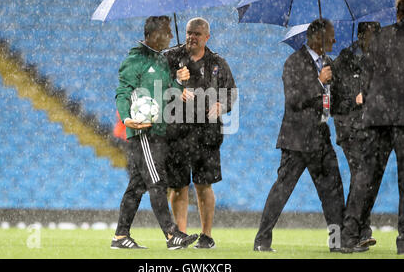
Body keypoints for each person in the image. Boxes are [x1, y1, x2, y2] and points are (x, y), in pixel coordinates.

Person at [254, 18, 345, 252]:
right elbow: (293, 100)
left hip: (321, 137)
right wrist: (319, 82)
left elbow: (332, 101)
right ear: (317, 37)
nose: (334, 39)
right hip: (297, 140)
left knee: (332, 193)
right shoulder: (294, 62)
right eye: (331, 35)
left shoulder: (329, 63)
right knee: (282, 190)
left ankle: (336, 243)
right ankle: (262, 241)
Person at [112, 15, 198, 250]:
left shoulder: (160, 60)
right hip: (144, 132)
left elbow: (169, 91)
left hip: (159, 130)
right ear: (153, 34)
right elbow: (122, 91)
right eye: (167, 31)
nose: (171, 35)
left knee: (137, 186)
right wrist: (127, 117)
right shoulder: (135, 59)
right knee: (157, 181)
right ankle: (172, 235)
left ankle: (120, 236)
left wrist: (180, 82)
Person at [164, 17, 237, 249]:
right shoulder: (171, 58)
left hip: (207, 133)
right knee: (178, 186)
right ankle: (181, 235)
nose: (191, 37)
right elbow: (155, 84)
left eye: (196, 34)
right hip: (177, 131)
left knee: (204, 185)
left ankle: (206, 236)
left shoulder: (218, 63)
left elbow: (231, 93)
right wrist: (175, 84)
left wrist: (221, 105)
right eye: (188, 33)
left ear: (207, 37)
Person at [341, 0, 404, 255]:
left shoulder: (379, 37)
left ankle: (348, 236)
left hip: (376, 117)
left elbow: (366, 80)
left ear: (397, 14)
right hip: (402, 118)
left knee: (366, 178)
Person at [331, 22, 381, 252]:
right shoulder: (343, 61)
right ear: (361, 36)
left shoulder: (377, 61)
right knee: (361, 177)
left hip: (369, 130)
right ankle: (360, 232)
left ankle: (355, 232)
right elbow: (336, 103)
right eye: (372, 35)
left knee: (363, 180)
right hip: (350, 130)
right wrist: (356, 99)